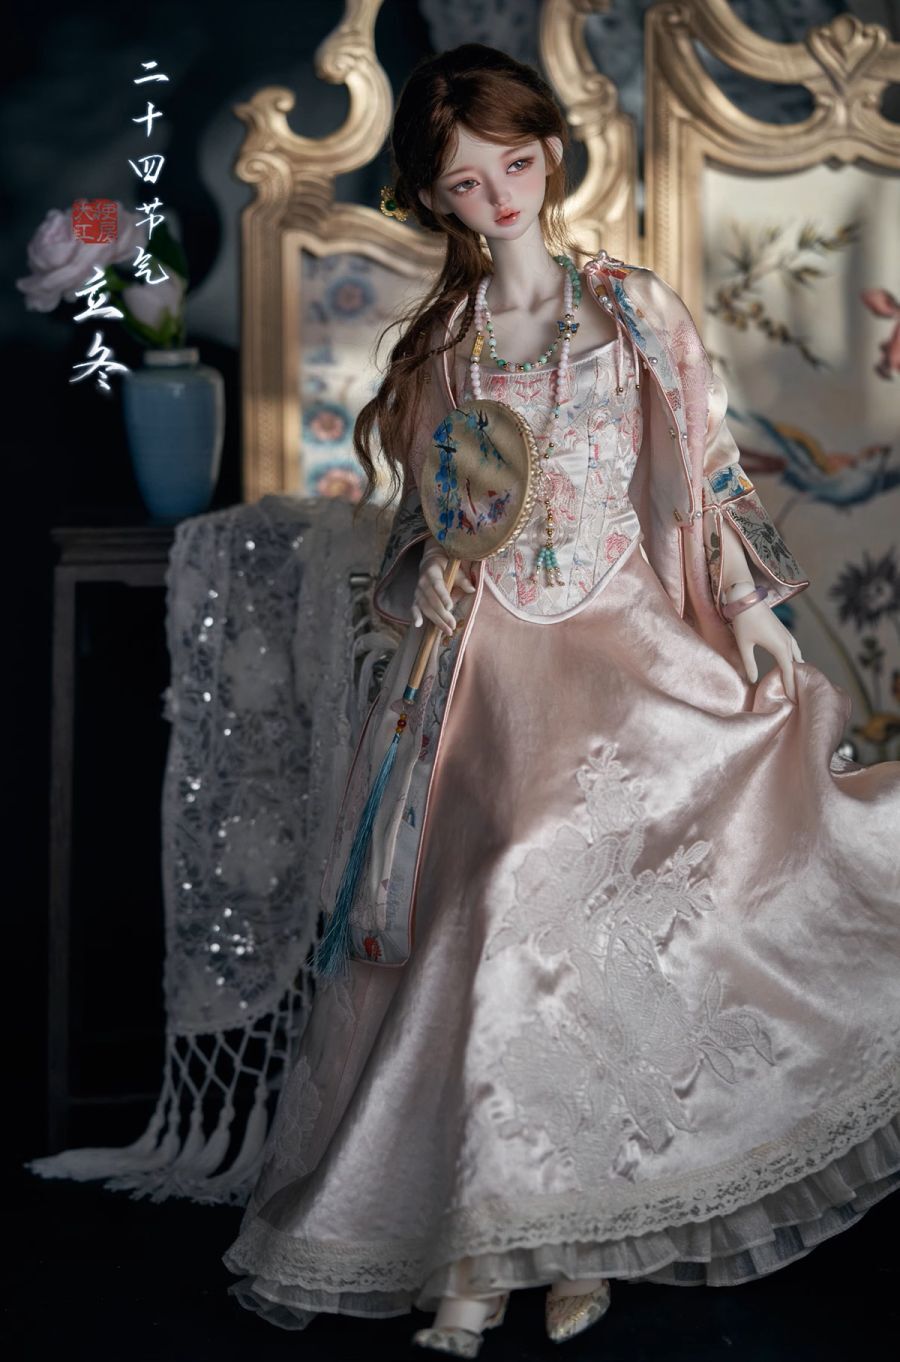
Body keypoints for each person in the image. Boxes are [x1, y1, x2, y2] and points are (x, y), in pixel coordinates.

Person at [222, 44, 900, 1357]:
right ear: (435, 202)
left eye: (516, 165)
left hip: (626, 638)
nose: (501, 197)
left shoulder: (633, 310)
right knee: (507, 879)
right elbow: (430, 520)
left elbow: (706, 468)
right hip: (491, 663)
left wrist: (753, 609)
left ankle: (551, 1243)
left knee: (573, 879)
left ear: (549, 155)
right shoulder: (448, 347)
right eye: (466, 184)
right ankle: (513, 1247)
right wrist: (424, 576)